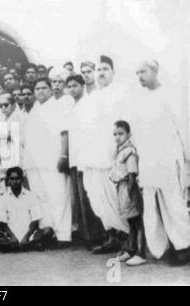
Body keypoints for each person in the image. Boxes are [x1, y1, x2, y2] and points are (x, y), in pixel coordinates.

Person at [128, 60, 190, 266]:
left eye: (143, 71)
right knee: (152, 205)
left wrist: (187, 159)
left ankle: (183, 246)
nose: (140, 76)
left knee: (174, 204)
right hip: (148, 161)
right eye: (137, 72)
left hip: (168, 159)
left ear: (155, 70)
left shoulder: (170, 95)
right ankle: (161, 247)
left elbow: (183, 128)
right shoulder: (140, 100)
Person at [82, 55, 130, 254]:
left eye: (105, 69)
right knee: (97, 198)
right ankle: (112, 237)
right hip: (92, 158)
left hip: (111, 157)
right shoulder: (91, 98)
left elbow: (124, 127)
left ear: (113, 72)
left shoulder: (120, 95)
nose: (101, 73)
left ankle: (128, 238)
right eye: (98, 70)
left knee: (116, 199)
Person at [24, 77, 73, 244]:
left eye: (44, 88)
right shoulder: (34, 110)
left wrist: (64, 155)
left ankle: (63, 235)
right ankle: (48, 233)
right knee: (42, 199)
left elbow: (64, 133)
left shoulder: (57, 107)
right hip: (35, 163)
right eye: (37, 89)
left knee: (58, 197)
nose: (40, 91)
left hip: (52, 162)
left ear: (52, 90)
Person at [66, 74, 104, 248]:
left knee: (89, 198)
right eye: (70, 86)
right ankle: (88, 237)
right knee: (80, 200)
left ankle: (97, 236)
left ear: (82, 86)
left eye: (75, 85)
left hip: (86, 159)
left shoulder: (89, 105)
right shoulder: (73, 106)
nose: (72, 89)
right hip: (76, 158)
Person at [0, 167, 55, 252]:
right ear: (8, 181)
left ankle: (18, 247)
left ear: (22, 180)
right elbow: (2, 223)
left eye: (17, 178)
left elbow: (35, 221)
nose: (15, 181)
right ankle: (26, 246)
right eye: (12, 179)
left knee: (48, 230)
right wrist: (13, 237)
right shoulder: (3, 198)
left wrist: (27, 236)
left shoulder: (32, 196)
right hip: (10, 236)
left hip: (29, 234)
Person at [109, 121, 146, 266]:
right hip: (121, 187)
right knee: (130, 221)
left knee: (137, 220)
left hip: (129, 187)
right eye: (115, 134)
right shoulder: (119, 150)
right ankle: (131, 250)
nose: (117, 137)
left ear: (128, 135)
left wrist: (130, 192)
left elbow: (132, 173)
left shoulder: (129, 151)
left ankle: (141, 253)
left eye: (121, 134)